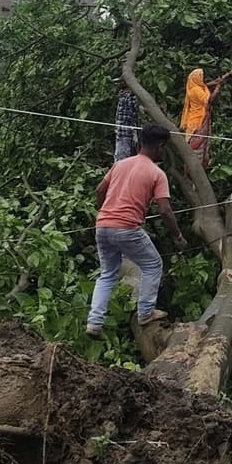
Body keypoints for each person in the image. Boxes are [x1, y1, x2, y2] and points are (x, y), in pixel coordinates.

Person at [86, 124, 188, 339]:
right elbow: (165, 210)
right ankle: (145, 313)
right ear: (160, 147)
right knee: (153, 264)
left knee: (108, 274)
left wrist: (105, 211)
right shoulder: (156, 173)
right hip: (127, 228)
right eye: (164, 148)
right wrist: (177, 235)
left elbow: (99, 190)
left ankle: (94, 322)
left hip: (102, 225)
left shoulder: (120, 164)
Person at [180, 68, 224, 169]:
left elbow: (205, 86)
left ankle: (198, 167)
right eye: (201, 77)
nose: (202, 79)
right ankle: (196, 168)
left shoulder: (193, 87)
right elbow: (209, 99)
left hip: (197, 119)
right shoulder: (196, 90)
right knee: (198, 145)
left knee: (202, 144)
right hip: (198, 121)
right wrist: (218, 87)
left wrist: (214, 82)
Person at [113, 80, 140, 162]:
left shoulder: (126, 96)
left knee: (122, 158)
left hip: (124, 133)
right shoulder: (127, 96)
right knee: (122, 159)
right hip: (124, 134)